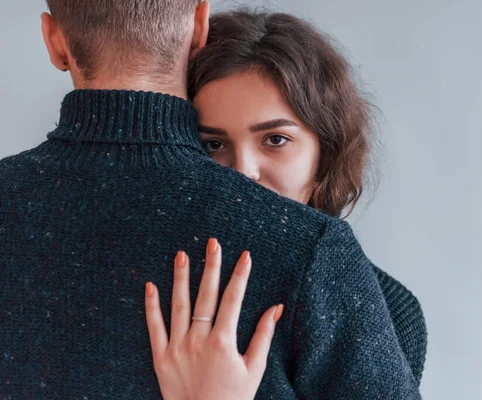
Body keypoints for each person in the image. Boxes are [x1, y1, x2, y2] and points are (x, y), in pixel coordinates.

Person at [0, 2, 420, 400]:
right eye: (213, 143)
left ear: (54, 40)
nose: (243, 174)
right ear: (199, 25)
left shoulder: (356, 285)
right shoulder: (312, 255)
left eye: (276, 139)